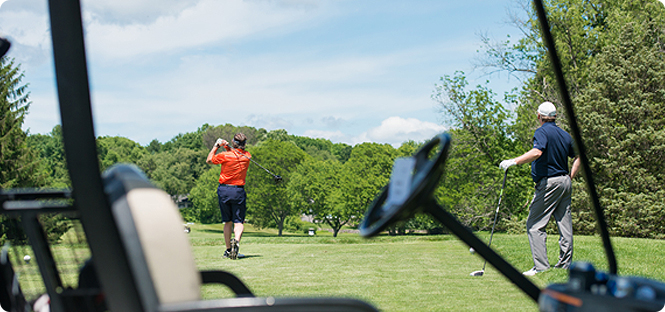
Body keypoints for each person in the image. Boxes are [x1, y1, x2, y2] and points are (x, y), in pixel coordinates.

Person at [499, 101, 581, 276]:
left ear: (539, 116)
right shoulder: (565, 135)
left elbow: (537, 152)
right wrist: (570, 176)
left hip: (550, 183)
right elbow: (579, 156)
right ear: (555, 117)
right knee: (564, 224)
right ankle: (564, 266)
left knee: (534, 225)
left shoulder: (541, 132)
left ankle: (541, 267)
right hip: (565, 181)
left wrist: (513, 161)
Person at [206, 133, 251, 260]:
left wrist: (217, 146)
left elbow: (209, 160)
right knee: (239, 222)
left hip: (224, 190)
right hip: (238, 191)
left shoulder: (225, 156)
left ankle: (228, 250)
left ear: (233, 142)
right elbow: (237, 155)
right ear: (244, 144)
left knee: (227, 222)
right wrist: (227, 147)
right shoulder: (247, 156)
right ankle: (236, 241)